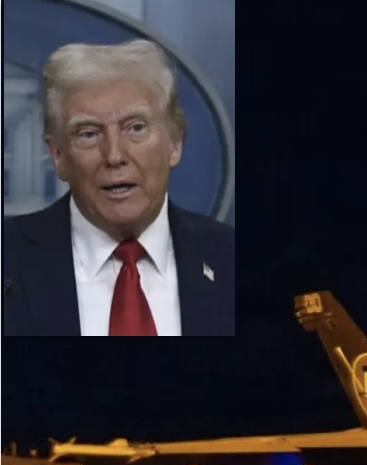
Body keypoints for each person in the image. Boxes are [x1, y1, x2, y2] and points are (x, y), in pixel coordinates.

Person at [2, 39, 234, 336]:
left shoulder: (235, 260)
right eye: (88, 133)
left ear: (175, 143)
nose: (114, 155)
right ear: (58, 155)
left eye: (136, 127)